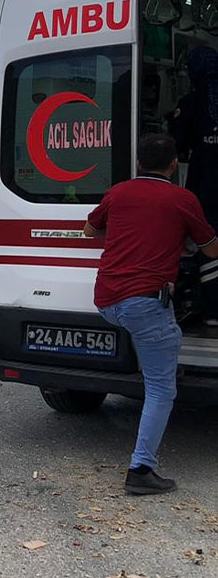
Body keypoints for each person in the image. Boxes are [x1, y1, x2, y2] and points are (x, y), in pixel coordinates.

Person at [85, 133, 218, 495]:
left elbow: (90, 229)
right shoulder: (182, 199)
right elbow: (210, 250)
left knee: (152, 350)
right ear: (174, 164)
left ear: (138, 163)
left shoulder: (118, 193)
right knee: (161, 389)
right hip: (143, 304)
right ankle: (141, 469)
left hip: (106, 300)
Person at [169, 45, 218, 325]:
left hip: (207, 186)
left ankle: (212, 310)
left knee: (208, 245)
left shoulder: (192, 103)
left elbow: (176, 144)